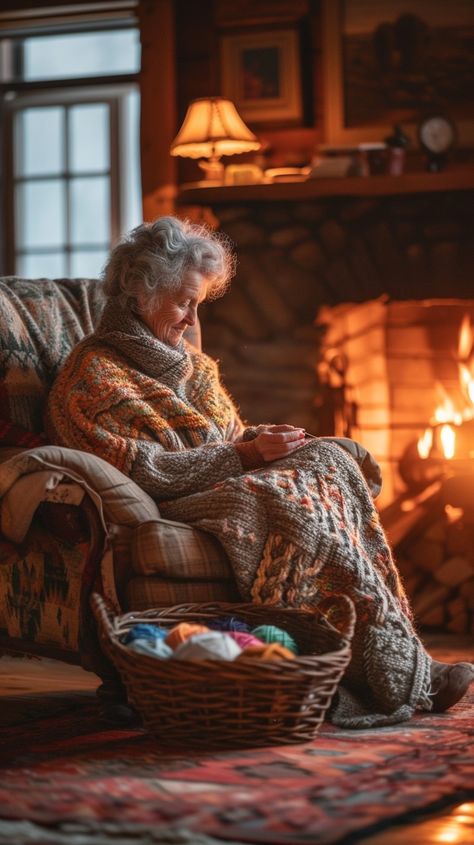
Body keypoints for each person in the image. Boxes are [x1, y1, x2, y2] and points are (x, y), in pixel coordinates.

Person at [46, 216, 473, 728]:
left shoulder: (195, 368)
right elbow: (148, 470)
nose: (191, 318)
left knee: (332, 456)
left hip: (225, 475)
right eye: (184, 302)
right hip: (178, 496)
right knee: (281, 500)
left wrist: (263, 440)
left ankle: (393, 657)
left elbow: (228, 438)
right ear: (138, 293)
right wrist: (245, 457)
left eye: (198, 303)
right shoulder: (90, 376)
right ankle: (373, 671)